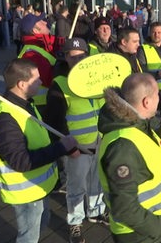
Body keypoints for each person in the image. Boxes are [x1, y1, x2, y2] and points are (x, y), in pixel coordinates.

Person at [0, 58, 79, 243]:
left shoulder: (25, 103)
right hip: (26, 193)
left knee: (41, 223)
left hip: (37, 188)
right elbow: (21, 161)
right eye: (36, 79)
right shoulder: (5, 118)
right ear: (22, 84)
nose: (41, 82)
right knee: (28, 237)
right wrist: (61, 148)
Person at [97, 73, 161, 243]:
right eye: (157, 94)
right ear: (146, 102)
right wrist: (159, 228)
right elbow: (125, 208)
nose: (159, 98)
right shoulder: (122, 147)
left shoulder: (139, 123)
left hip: (149, 228)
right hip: (140, 235)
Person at [44, 38, 107, 243]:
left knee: (97, 181)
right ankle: (75, 222)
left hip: (99, 142)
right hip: (77, 148)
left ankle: (96, 211)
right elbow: (54, 121)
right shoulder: (60, 84)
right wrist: (68, 148)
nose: (79, 59)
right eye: (74, 56)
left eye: (82, 55)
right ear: (66, 57)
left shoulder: (96, 79)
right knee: (76, 187)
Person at [18, 13, 58, 114]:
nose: (45, 22)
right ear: (35, 31)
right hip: (43, 105)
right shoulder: (32, 54)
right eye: (40, 21)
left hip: (46, 102)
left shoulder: (38, 47)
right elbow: (50, 79)